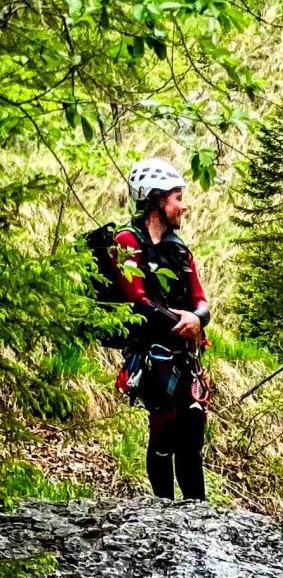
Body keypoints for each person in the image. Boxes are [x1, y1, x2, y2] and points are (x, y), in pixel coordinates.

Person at [108, 161, 210, 504]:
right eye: (177, 197)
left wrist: (198, 320)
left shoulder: (179, 250)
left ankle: (198, 511)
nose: (183, 206)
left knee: (192, 435)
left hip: (184, 355)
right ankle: (163, 510)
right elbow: (137, 299)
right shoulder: (125, 241)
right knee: (164, 429)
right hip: (154, 356)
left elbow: (201, 301)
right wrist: (184, 323)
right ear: (156, 199)